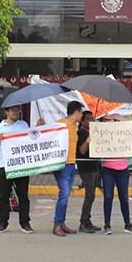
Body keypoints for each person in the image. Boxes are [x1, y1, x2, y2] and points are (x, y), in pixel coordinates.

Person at [0, 105, 40, 234]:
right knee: (4, 195)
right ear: (6, 112)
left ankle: (25, 222)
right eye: (13, 110)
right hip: (5, 165)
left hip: (21, 165)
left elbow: (31, 139)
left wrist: (39, 128)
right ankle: (2, 222)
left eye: (17, 110)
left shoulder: (23, 125)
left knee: (23, 195)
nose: (16, 112)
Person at [100, 113, 132, 235]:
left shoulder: (124, 132)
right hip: (108, 168)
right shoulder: (102, 133)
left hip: (123, 168)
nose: (106, 122)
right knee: (108, 196)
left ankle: (127, 223)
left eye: (109, 120)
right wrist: (92, 140)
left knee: (124, 197)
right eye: (105, 120)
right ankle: (107, 224)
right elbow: (97, 146)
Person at [52, 100, 83, 237]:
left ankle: (62, 223)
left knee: (66, 194)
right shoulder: (60, 124)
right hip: (61, 164)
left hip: (71, 164)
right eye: (81, 112)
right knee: (63, 194)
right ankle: (57, 224)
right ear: (76, 112)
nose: (82, 115)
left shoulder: (75, 126)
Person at [76, 110, 101, 233]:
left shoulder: (94, 132)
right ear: (82, 121)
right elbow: (82, 151)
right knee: (89, 195)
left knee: (92, 195)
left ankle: (88, 220)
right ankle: (83, 223)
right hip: (86, 168)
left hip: (95, 166)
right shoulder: (80, 134)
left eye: (92, 119)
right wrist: (87, 140)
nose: (91, 121)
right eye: (88, 119)